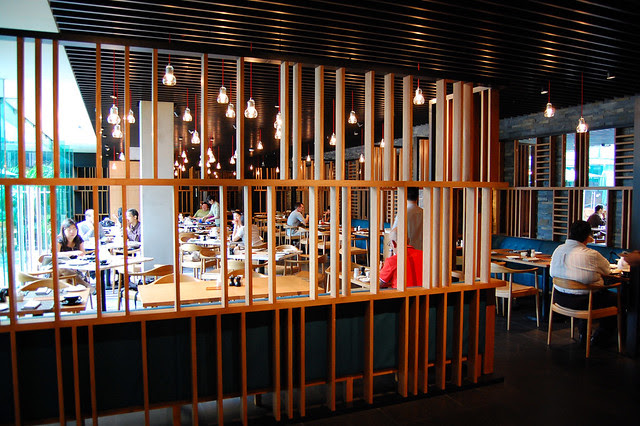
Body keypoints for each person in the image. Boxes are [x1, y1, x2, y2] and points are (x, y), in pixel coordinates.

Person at [549, 220, 616, 346]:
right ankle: (601, 337)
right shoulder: (592, 254)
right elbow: (607, 270)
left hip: (559, 298)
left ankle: (583, 333)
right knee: (615, 298)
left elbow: (552, 273)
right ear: (588, 236)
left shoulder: (558, 249)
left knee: (587, 292)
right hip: (584, 302)